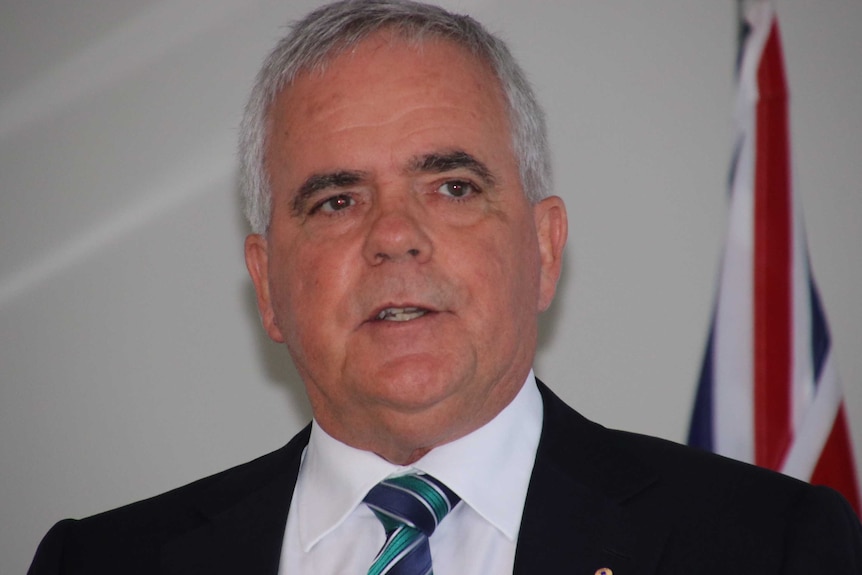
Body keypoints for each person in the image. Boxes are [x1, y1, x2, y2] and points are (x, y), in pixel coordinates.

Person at [28, 1, 862, 573]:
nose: (393, 235)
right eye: (336, 199)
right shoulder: (100, 562)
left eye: (452, 186)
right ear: (267, 286)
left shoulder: (770, 546)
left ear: (544, 247)